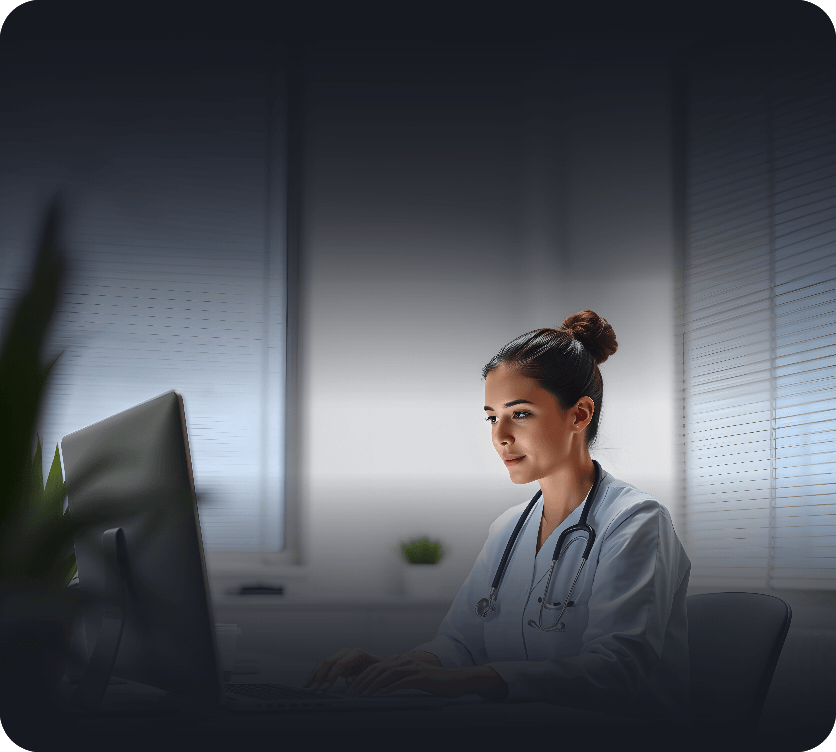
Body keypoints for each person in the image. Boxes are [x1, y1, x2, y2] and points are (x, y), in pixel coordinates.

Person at [303, 310, 690, 723]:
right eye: (492, 417)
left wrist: (472, 681)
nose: (500, 436)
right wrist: (401, 664)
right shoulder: (509, 528)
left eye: (520, 413)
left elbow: (616, 670)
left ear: (579, 415)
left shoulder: (635, 522)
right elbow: (462, 642)